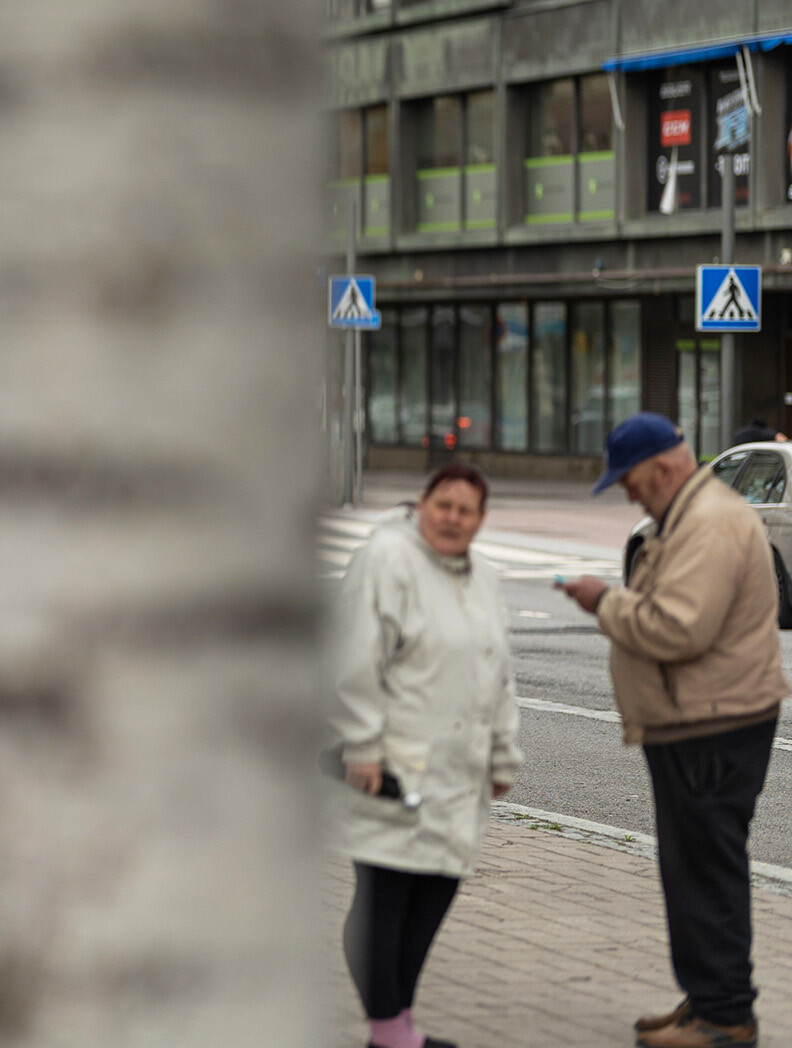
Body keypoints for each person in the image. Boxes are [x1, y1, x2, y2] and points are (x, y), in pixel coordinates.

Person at [558, 414, 789, 1048]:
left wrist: (603, 602)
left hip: (712, 723)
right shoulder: (694, 514)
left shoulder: (710, 523)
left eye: (629, 482)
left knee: (707, 869)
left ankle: (724, 1017)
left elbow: (679, 626)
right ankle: (707, 1001)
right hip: (700, 718)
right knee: (694, 868)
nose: (628, 496)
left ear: (662, 467)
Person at [330, 462, 519, 1048]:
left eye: (466, 511)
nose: (453, 519)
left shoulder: (480, 575)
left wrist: (502, 756)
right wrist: (360, 745)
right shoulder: (387, 559)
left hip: (457, 773)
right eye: (444, 506)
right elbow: (353, 657)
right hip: (393, 767)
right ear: (423, 503)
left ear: (481, 521)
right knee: (385, 902)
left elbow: (499, 669)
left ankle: (400, 1021)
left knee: (432, 897)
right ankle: (388, 1032)